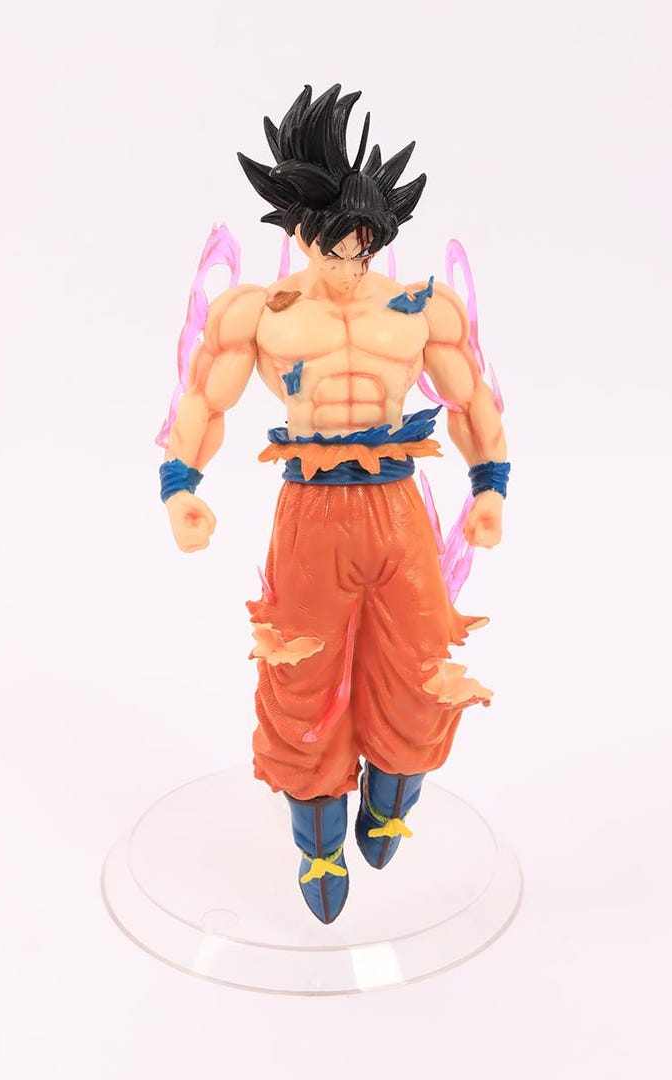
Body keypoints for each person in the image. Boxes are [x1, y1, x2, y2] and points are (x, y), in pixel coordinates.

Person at [159, 85, 509, 924]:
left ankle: (389, 806)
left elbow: (471, 402)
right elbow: (203, 400)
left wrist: (489, 486)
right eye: (335, 245)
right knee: (299, 680)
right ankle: (317, 845)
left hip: (398, 512)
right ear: (299, 231)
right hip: (311, 515)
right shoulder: (262, 313)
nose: (350, 264)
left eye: (365, 245)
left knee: (422, 668)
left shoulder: (419, 309)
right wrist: (181, 487)